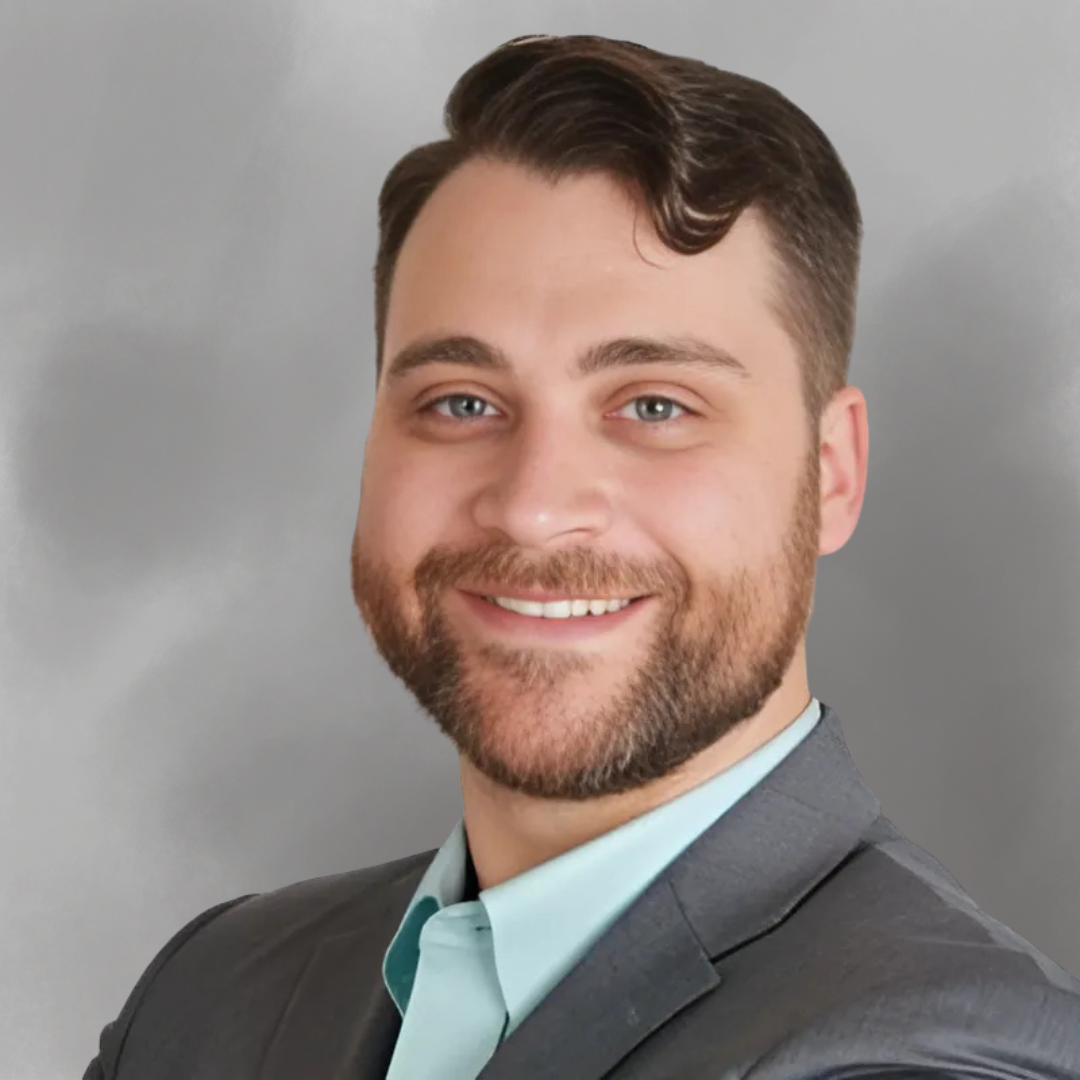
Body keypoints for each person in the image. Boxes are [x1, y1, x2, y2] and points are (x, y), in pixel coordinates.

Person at [84, 33, 1080, 1080]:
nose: (532, 508)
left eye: (655, 404)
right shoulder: (205, 996)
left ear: (831, 471)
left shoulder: (944, 1047)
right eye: (460, 402)